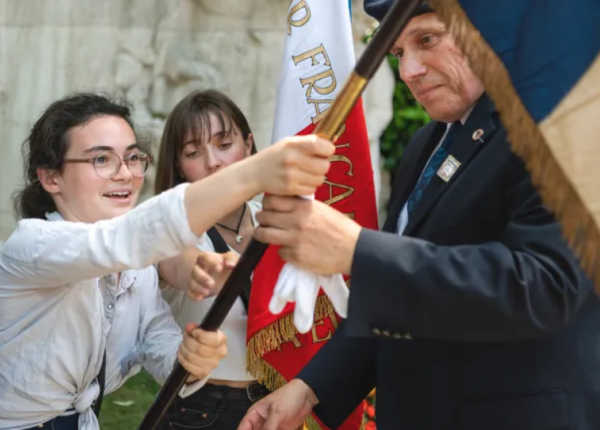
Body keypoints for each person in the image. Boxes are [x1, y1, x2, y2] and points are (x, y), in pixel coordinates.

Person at [237, 2, 600, 430]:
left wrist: (358, 251)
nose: (409, 70)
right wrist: (309, 388)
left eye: (427, 40)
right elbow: (399, 298)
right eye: (396, 53)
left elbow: (543, 285)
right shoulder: (426, 143)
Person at [0, 92, 334, 430]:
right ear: (50, 177)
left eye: (132, 157)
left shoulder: (136, 263)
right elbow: (131, 239)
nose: (124, 173)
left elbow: (156, 337)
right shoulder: (33, 245)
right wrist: (255, 171)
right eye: (101, 159)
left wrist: (190, 358)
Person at [154, 89, 269, 430]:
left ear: (248, 145)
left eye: (224, 144)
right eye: (193, 152)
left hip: (277, 405)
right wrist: (205, 271)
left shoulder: (275, 221)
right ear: (178, 165)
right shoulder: (170, 231)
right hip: (200, 413)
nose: (213, 161)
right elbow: (180, 263)